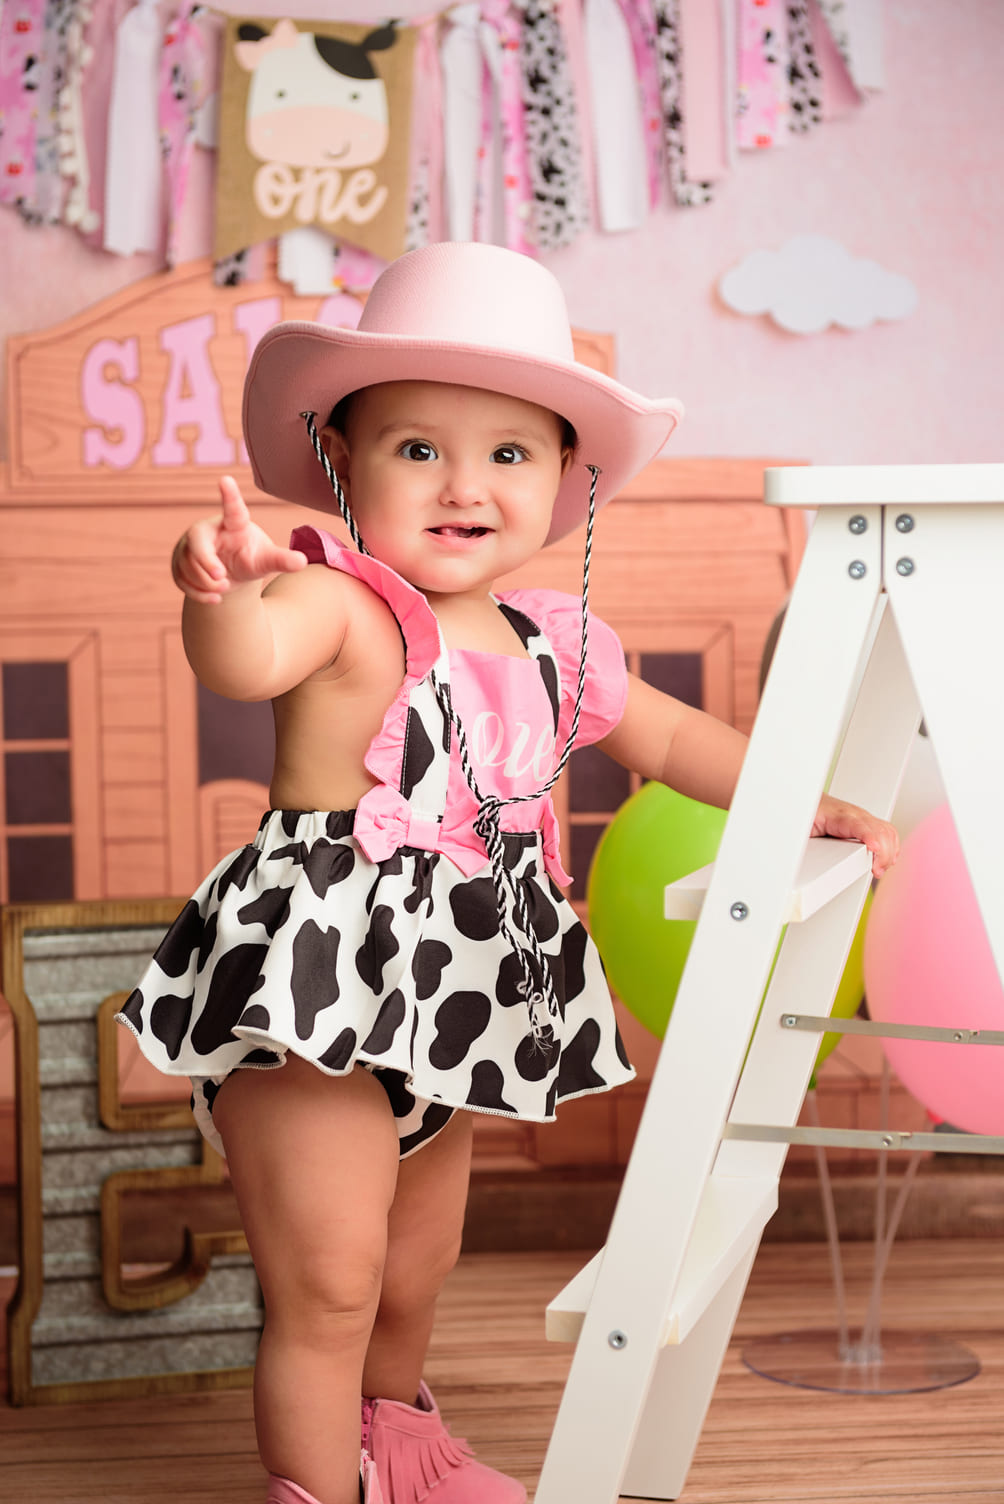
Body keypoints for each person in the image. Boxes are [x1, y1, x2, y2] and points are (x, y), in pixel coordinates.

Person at [117, 242, 898, 1504]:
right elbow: (245, 656)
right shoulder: (340, 604)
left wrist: (802, 799)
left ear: (562, 480)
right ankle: (313, 1487)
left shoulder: (553, 643)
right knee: (331, 1279)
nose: (461, 483)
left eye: (507, 453)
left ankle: (399, 1447)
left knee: (419, 1265)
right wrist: (215, 591)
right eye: (416, 448)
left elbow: (675, 738)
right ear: (342, 464)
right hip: (319, 993)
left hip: (461, 991)